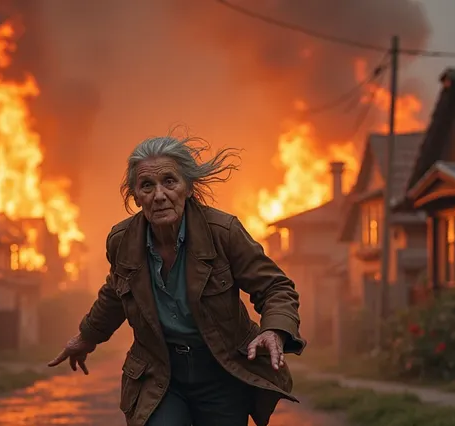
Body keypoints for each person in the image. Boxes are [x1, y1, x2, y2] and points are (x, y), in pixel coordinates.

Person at [48, 134, 306, 426]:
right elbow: (114, 294)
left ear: (188, 188)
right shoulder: (122, 241)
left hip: (222, 370)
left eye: (169, 182)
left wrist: (275, 330)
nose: (159, 195)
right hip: (160, 373)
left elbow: (275, 287)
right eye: (147, 185)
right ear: (135, 196)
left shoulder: (223, 232)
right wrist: (86, 337)